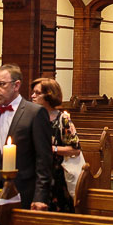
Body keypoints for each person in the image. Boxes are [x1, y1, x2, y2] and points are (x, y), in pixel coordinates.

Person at [0, 63, 52, 214]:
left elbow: (44, 160)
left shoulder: (35, 113)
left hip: (24, 191)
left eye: (1, 84)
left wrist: (40, 197)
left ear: (16, 86)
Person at [30, 77, 80, 213]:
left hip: (56, 176)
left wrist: (53, 149)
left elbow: (75, 150)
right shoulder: (31, 116)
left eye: (37, 93)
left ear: (49, 95)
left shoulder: (62, 119)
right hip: (35, 172)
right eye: (33, 92)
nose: (32, 96)